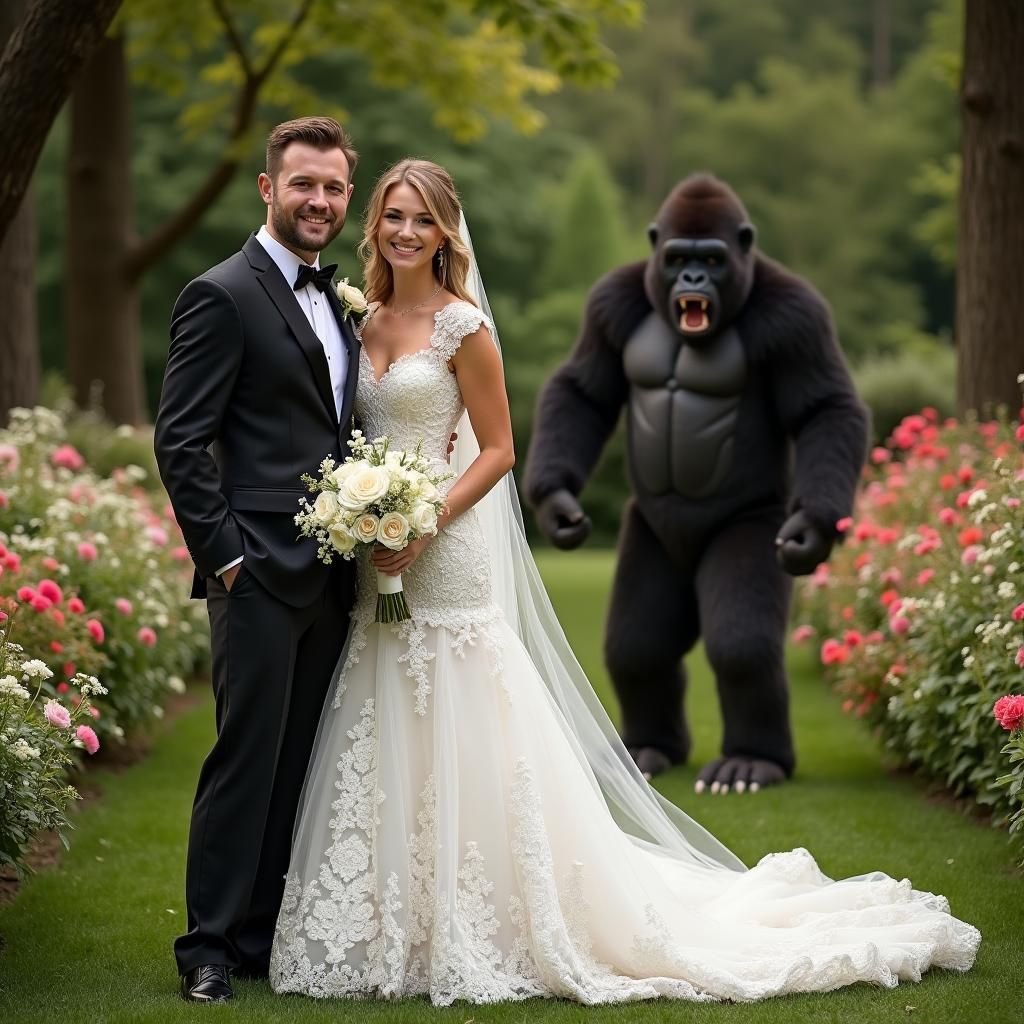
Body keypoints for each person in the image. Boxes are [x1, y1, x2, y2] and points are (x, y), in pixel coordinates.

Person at [269, 159, 980, 1005]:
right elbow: (568, 396)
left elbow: (499, 448)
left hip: (478, 544)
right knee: (443, 699)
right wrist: (396, 510)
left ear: (447, 229)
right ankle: (399, 916)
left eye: (423, 217)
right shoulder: (366, 317)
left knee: (694, 654)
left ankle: (728, 764)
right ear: (375, 223)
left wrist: (420, 522)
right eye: (393, 215)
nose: (406, 231)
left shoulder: (469, 326)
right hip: (392, 560)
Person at [154, 117, 363, 1003]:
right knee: (245, 757)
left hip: (336, 568)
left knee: (302, 760)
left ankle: (259, 936)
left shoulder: (343, 298)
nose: (320, 201)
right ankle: (205, 946)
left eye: (335, 188)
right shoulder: (222, 293)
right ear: (268, 190)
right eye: (304, 184)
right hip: (257, 571)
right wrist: (227, 559)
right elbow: (180, 440)